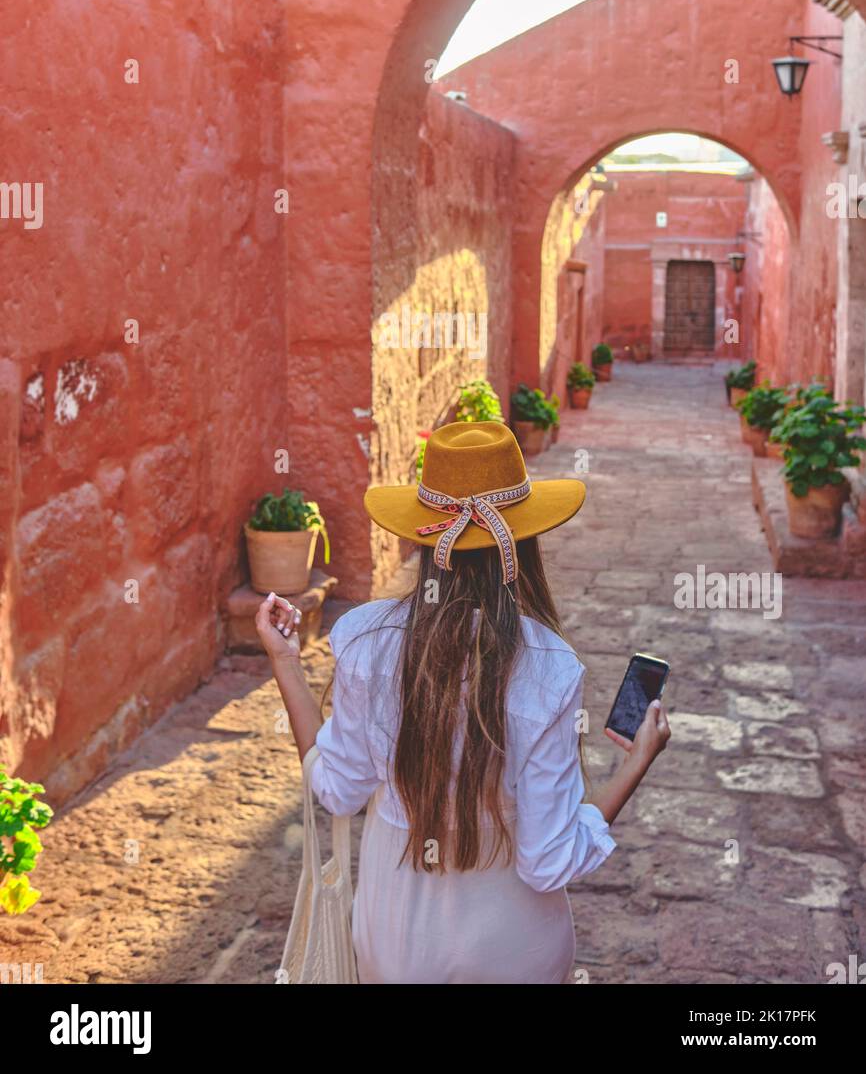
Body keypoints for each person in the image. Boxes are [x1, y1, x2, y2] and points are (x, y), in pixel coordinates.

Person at [258, 419, 671, 984]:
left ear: (427, 539)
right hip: (516, 952)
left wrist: (284, 660)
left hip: (395, 950)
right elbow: (548, 860)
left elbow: (335, 789)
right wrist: (637, 761)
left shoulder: (367, 645)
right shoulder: (549, 668)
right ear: (522, 544)